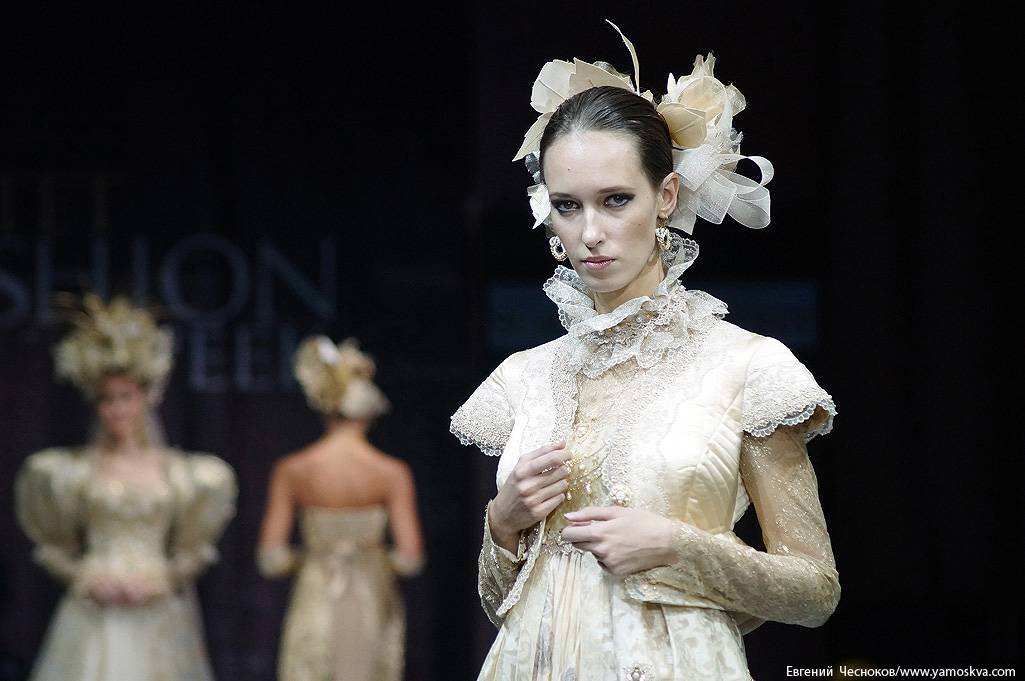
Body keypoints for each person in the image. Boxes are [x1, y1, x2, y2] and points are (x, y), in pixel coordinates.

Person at [450, 22, 839, 680]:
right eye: (567, 205)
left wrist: (676, 547)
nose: (590, 232)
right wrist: (503, 523)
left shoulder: (745, 366)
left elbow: (815, 590)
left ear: (665, 197)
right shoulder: (523, 378)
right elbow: (502, 608)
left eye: (615, 200)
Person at [14, 294, 237, 681]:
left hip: (157, 608)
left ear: (145, 398)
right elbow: (52, 548)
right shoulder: (73, 471)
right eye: (107, 400)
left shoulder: (179, 472)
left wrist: (163, 580)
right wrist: (84, 578)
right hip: (94, 607)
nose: (117, 409)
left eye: (125, 398)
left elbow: (194, 550)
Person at [257, 335, 425, 681]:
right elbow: (410, 558)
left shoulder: (294, 469)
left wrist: (312, 557)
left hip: (316, 590)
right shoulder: (390, 473)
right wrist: (370, 557)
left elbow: (271, 558)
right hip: (370, 595)